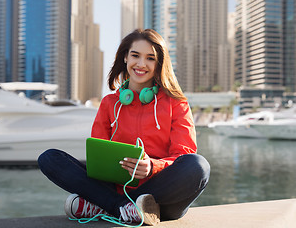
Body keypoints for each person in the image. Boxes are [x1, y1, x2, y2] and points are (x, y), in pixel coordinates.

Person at [38, 28, 210, 225]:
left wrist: (152, 167)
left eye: (150, 58)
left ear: (159, 63)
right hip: (116, 188)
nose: (141, 64)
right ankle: (121, 207)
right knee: (49, 158)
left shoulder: (176, 103)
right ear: (125, 58)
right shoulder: (109, 103)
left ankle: (108, 206)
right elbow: (99, 156)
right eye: (135, 55)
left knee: (198, 166)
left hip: (161, 199)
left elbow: (183, 154)